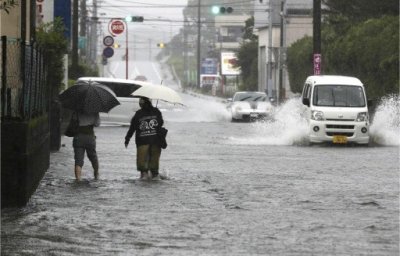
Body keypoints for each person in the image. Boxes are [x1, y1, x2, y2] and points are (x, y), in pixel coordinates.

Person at [124, 97, 164, 180]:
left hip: (142, 143)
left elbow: (132, 128)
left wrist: (127, 139)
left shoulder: (138, 114)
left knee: (143, 171)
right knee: (154, 170)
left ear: (142, 104)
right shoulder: (156, 111)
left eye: (140, 102)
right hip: (156, 142)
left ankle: (144, 184)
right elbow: (161, 123)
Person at [72, 111, 100, 181]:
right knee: (93, 157)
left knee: (78, 160)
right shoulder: (95, 111)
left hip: (78, 137)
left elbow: (73, 121)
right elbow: (97, 124)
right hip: (90, 137)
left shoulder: (77, 110)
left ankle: (78, 179)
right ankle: (96, 174)